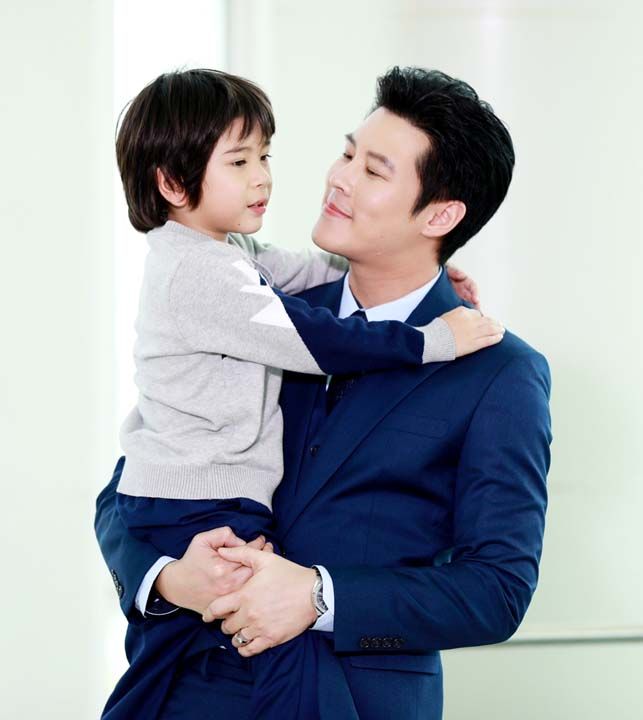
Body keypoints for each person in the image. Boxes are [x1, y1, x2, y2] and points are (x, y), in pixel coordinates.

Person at [96, 66, 551, 720]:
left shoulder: (500, 374)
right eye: (346, 153)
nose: (338, 177)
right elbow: (137, 475)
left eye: (373, 171)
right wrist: (166, 578)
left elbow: (495, 593)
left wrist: (319, 598)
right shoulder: (249, 307)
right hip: (184, 687)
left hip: (351, 699)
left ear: (441, 214)